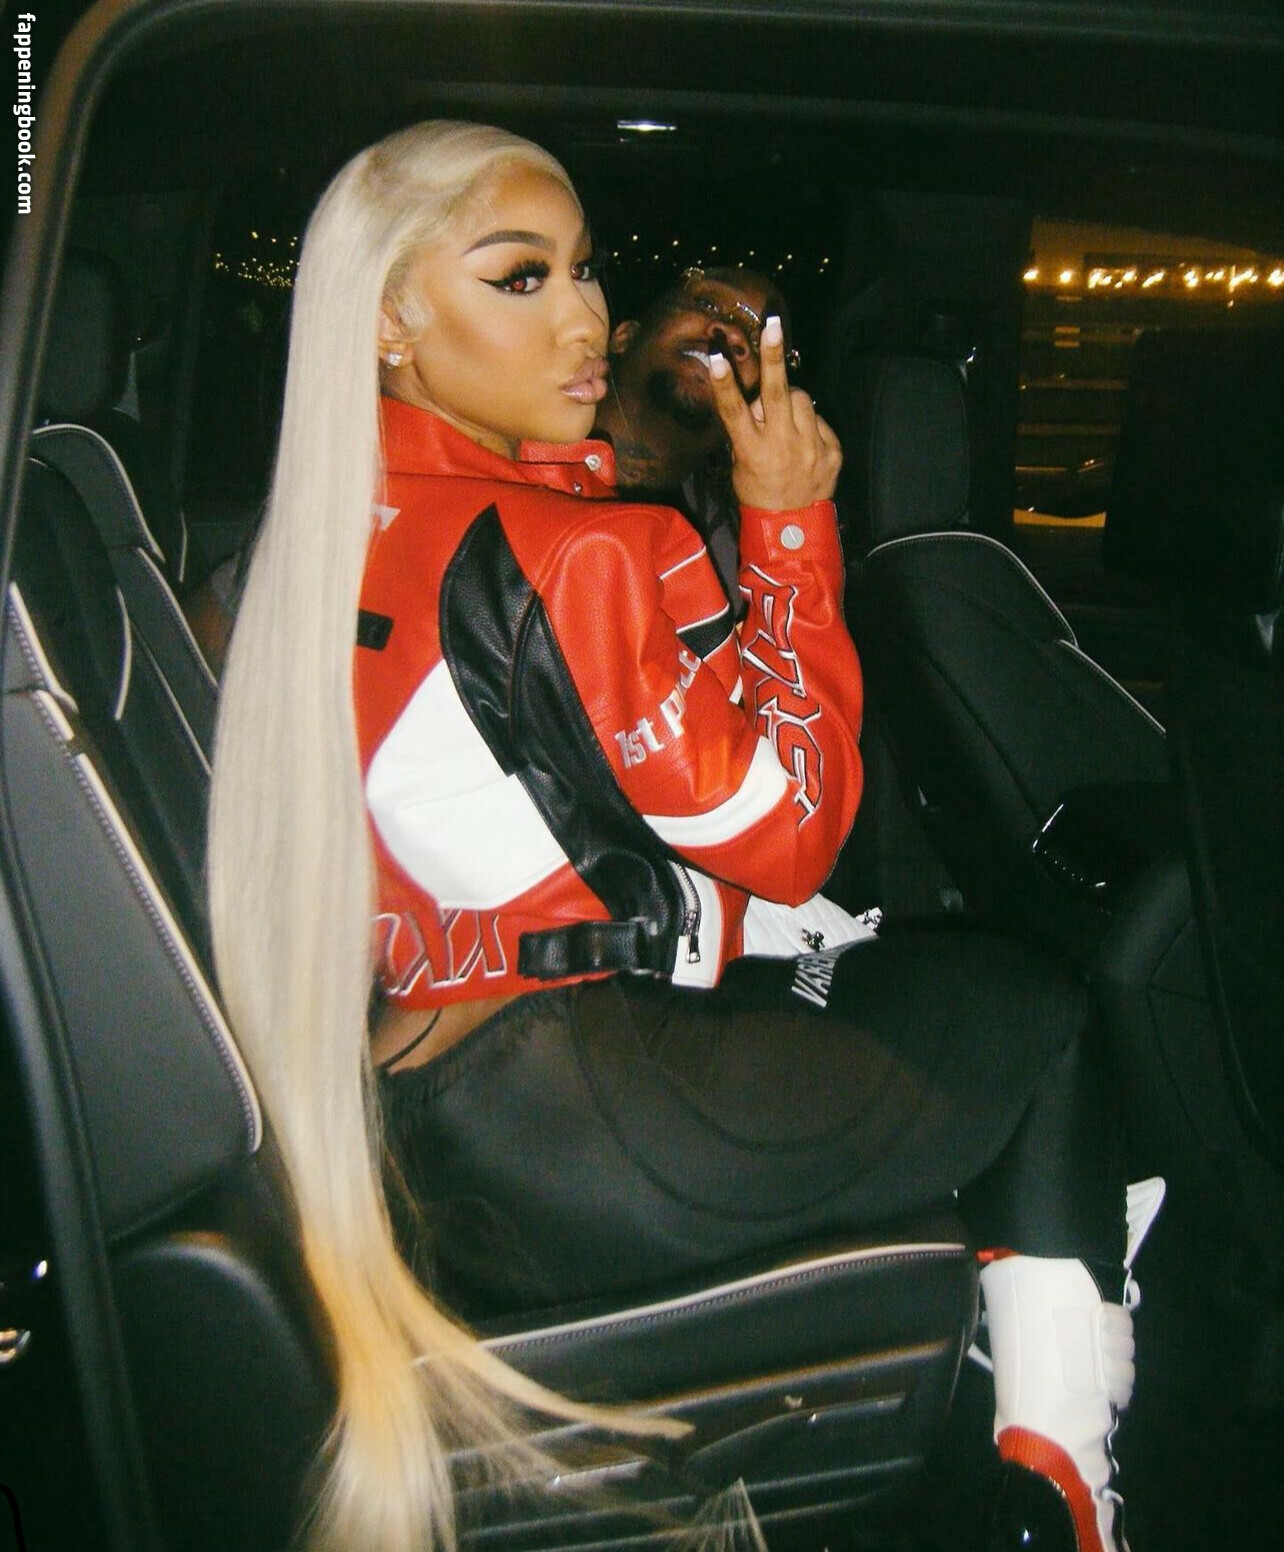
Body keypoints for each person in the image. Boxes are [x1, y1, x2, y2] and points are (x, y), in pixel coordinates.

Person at [207, 121, 1160, 1552]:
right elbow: (796, 833)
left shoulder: (304, 540)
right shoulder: (587, 550)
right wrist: (792, 529)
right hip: (583, 1109)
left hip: (418, 1109)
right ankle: (1062, 1504)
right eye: (521, 277)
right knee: (1041, 1020)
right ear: (390, 319)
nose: (584, 318)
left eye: (586, 270)